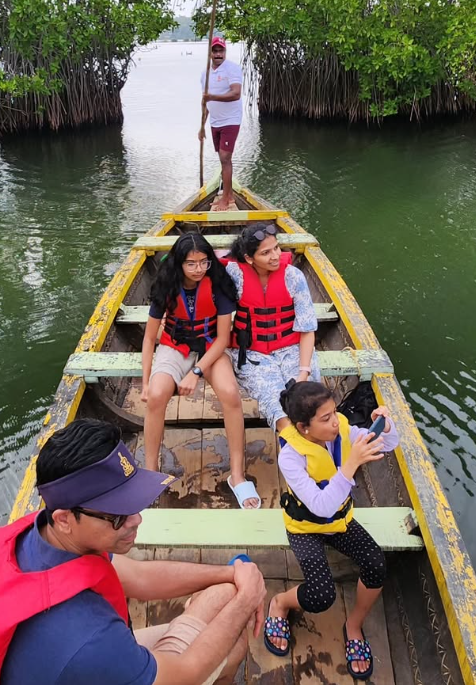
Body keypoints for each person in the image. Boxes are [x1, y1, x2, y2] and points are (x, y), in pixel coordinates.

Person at [0, 418, 266, 685]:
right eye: (117, 515)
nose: (137, 520)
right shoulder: (87, 639)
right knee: (234, 636)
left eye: (133, 503)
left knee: (225, 592)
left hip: (85, 665)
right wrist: (246, 600)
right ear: (66, 519)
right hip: (103, 660)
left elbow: (141, 578)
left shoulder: (37, 535)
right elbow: (186, 674)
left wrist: (233, 573)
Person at [263, 381, 399, 679]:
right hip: (305, 527)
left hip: (339, 522)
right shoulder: (291, 457)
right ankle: (280, 602)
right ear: (303, 427)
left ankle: (353, 626)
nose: (335, 422)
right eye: (325, 419)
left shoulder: (343, 429)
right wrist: (350, 465)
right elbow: (320, 506)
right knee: (321, 596)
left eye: (334, 412)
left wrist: (384, 425)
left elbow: (389, 444)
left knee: (376, 564)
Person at [141, 233, 260, 509]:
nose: (198, 269)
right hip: (175, 346)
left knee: (231, 395)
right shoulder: (166, 285)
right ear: (179, 264)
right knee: (157, 396)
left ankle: (238, 475)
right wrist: (146, 382)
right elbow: (149, 338)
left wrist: (195, 372)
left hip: (210, 348)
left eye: (204, 262)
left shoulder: (217, 283)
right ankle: (150, 473)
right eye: (191, 264)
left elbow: (221, 338)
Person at [224, 222, 321, 432]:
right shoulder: (234, 275)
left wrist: (303, 373)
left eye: (276, 248)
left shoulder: (293, 276)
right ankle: (295, 455)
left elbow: (307, 330)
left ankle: (317, 455)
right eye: (266, 253)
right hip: (252, 355)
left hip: (293, 351)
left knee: (310, 404)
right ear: (250, 258)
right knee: (278, 408)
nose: (275, 256)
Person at [199, 36, 242, 212]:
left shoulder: (232, 69)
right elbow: (205, 103)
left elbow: (236, 94)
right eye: (215, 51)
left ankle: (225, 199)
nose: (218, 54)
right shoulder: (205, 74)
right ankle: (229, 195)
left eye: (221, 51)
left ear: (225, 52)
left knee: (225, 158)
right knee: (222, 158)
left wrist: (212, 97)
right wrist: (202, 126)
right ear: (210, 53)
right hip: (215, 122)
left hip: (231, 120)